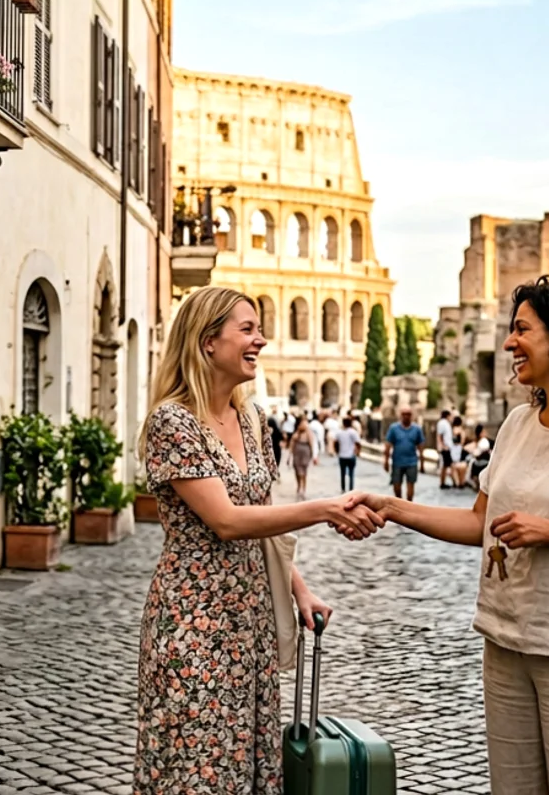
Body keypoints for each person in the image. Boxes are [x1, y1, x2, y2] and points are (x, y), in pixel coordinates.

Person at [348, 275, 549, 795]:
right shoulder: (519, 424)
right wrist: (391, 507)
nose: (508, 343)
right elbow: (481, 523)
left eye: (522, 329)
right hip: (506, 645)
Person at [134, 287, 384, 795]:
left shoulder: (252, 421)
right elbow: (227, 521)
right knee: (196, 762)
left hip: (252, 623)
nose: (261, 340)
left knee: (248, 759)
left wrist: (300, 590)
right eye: (247, 330)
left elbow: (262, 524)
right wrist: (324, 508)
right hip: (194, 621)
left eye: (259, 330)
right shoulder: (173, 422)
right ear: (208, 342)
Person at [384, 405, 426, 501]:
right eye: (404, 414)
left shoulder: (417, 429)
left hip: (412, 462)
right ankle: (400, 504)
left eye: (408, 414)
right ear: (400, 415)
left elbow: (421, 447)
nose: (406, 416)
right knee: (396, 486)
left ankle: (408, 505)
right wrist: (386, 461)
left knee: (411, 485)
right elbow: (388, 445)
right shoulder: (394, 428)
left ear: (412, 415)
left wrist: (422, 463)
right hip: (397, 462)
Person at [333, 415, 361, 493]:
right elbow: (358, 443)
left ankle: (343, 488)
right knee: (351, 473)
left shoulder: (339, 432)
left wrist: (337, 451)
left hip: (342, 455)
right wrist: (358, 452)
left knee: (342, 473)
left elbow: (335, 442)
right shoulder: (353, 432)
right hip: (351, 455)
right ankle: (351, 489)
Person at [289, 421, 314, 497]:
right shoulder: (296, 434)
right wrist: (289, 456)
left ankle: (303, 487)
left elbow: (311, 444)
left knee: (304, 470)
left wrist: (312, 455)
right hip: (297, 454)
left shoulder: (308, 433)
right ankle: (299, 485)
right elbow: (291, 444)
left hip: (305, 453)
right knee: (297, 470)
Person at [437, 409, 455, 488]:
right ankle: (452, 482)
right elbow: (440, 435)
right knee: (447, 465)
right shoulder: (443, 423)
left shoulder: (445, 423)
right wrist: (444, 446)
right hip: (445, 448)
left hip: (446, 447)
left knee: (446, 465)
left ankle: (444, 482)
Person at [450, 419, 469, 488]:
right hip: (458, 448)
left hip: (453, 448)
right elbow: (462, 441)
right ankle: (460, 482)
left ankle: (456, 482)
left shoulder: (452, 430)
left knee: (453, 465)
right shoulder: (461, 430)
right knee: (459, 465)